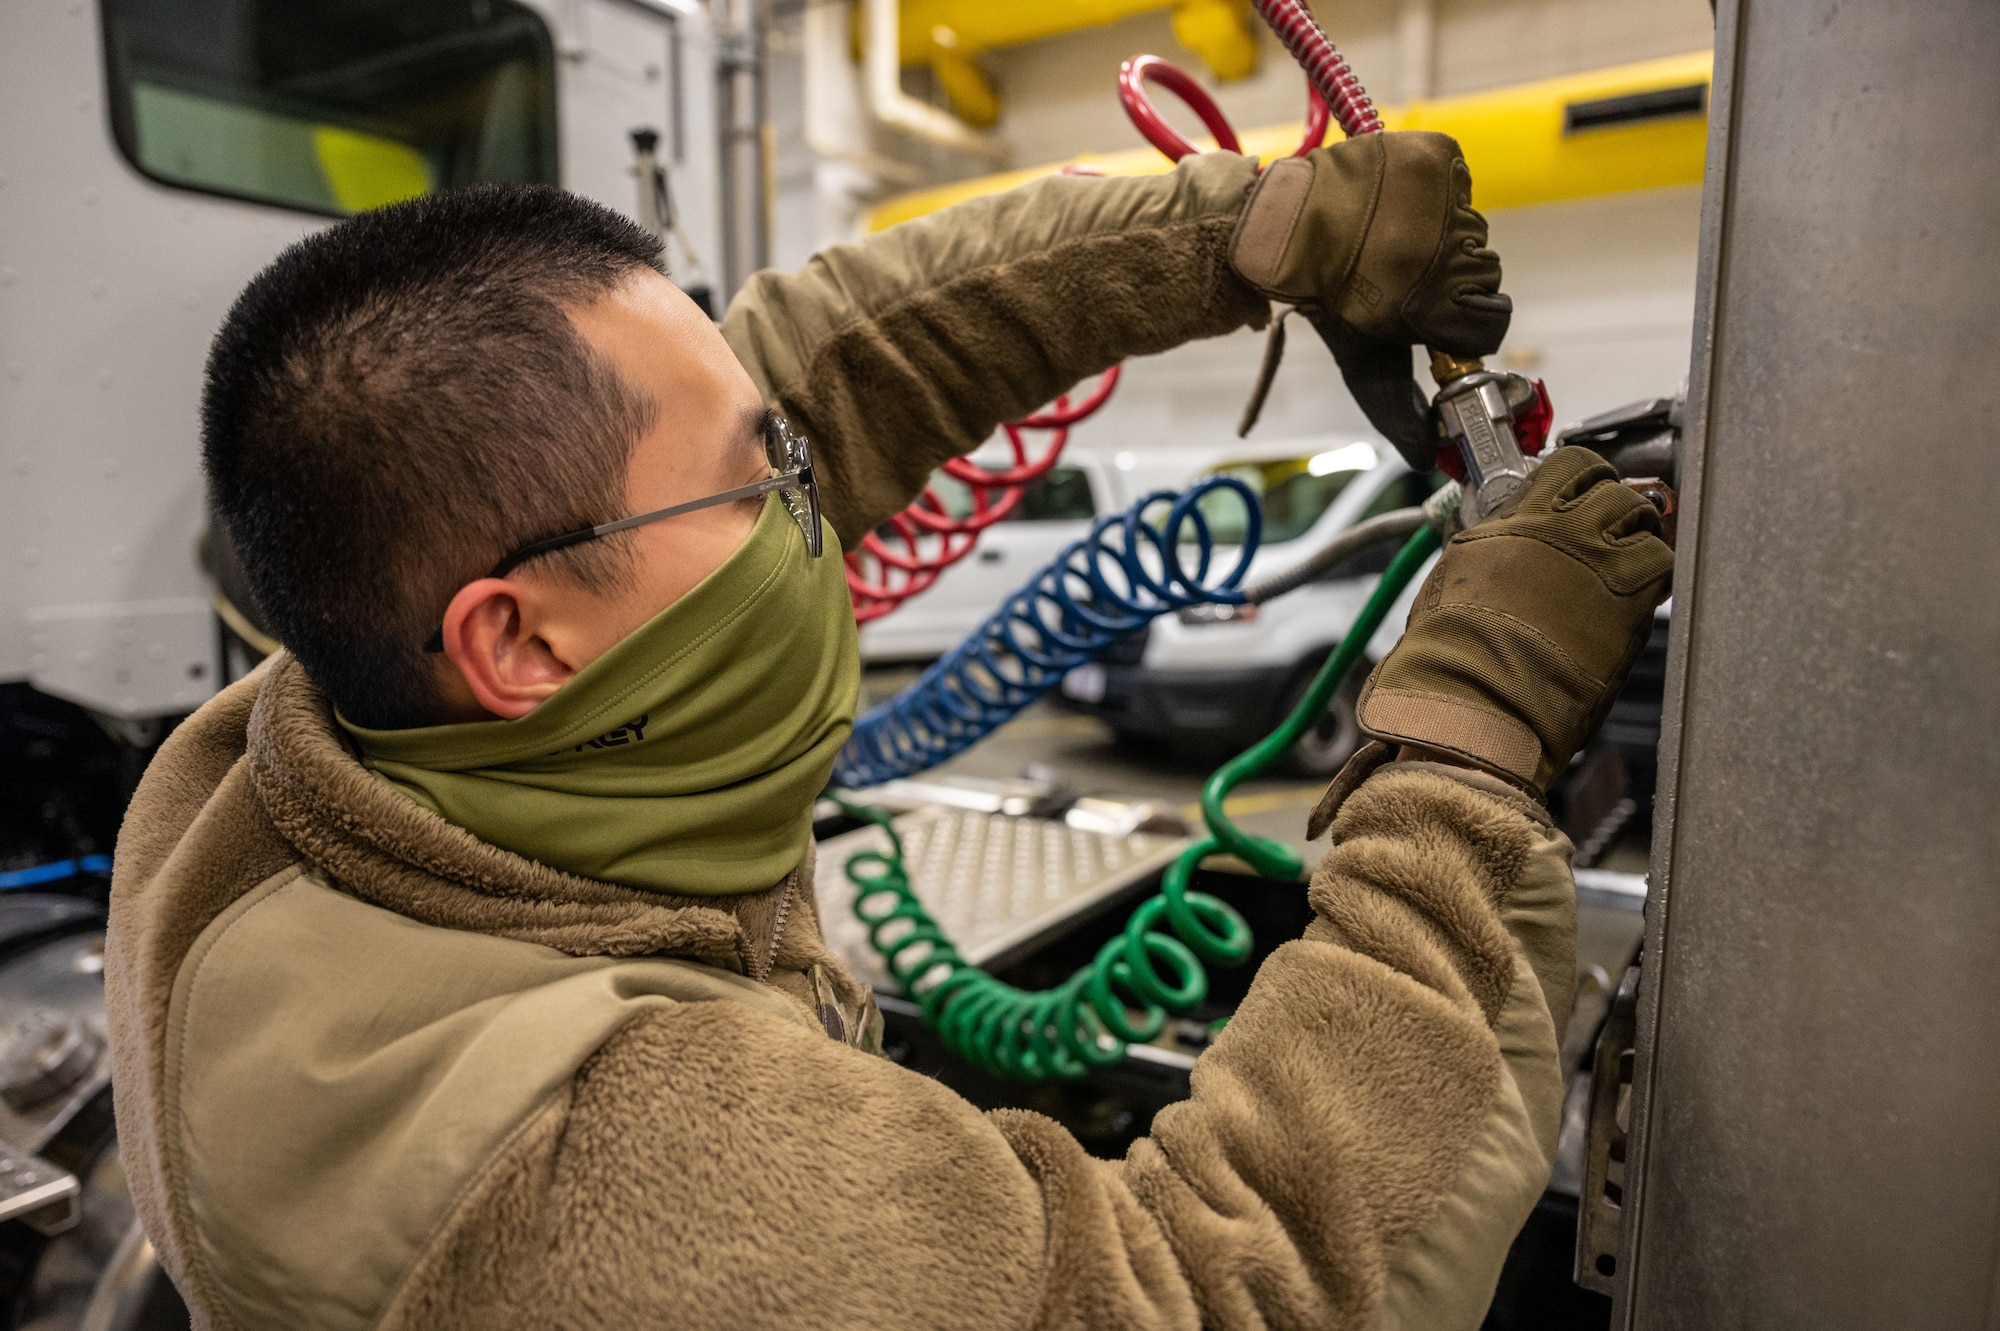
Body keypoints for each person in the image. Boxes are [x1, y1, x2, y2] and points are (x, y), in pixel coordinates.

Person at [104, 131, 1671, 1330]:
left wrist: (1236, 233)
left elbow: (827, 361)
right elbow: (1227, 1290)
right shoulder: (612, 1164)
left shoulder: (288, 752)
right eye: (762, 475)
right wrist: (1471, 745)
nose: (815, 485)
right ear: (515, 639)